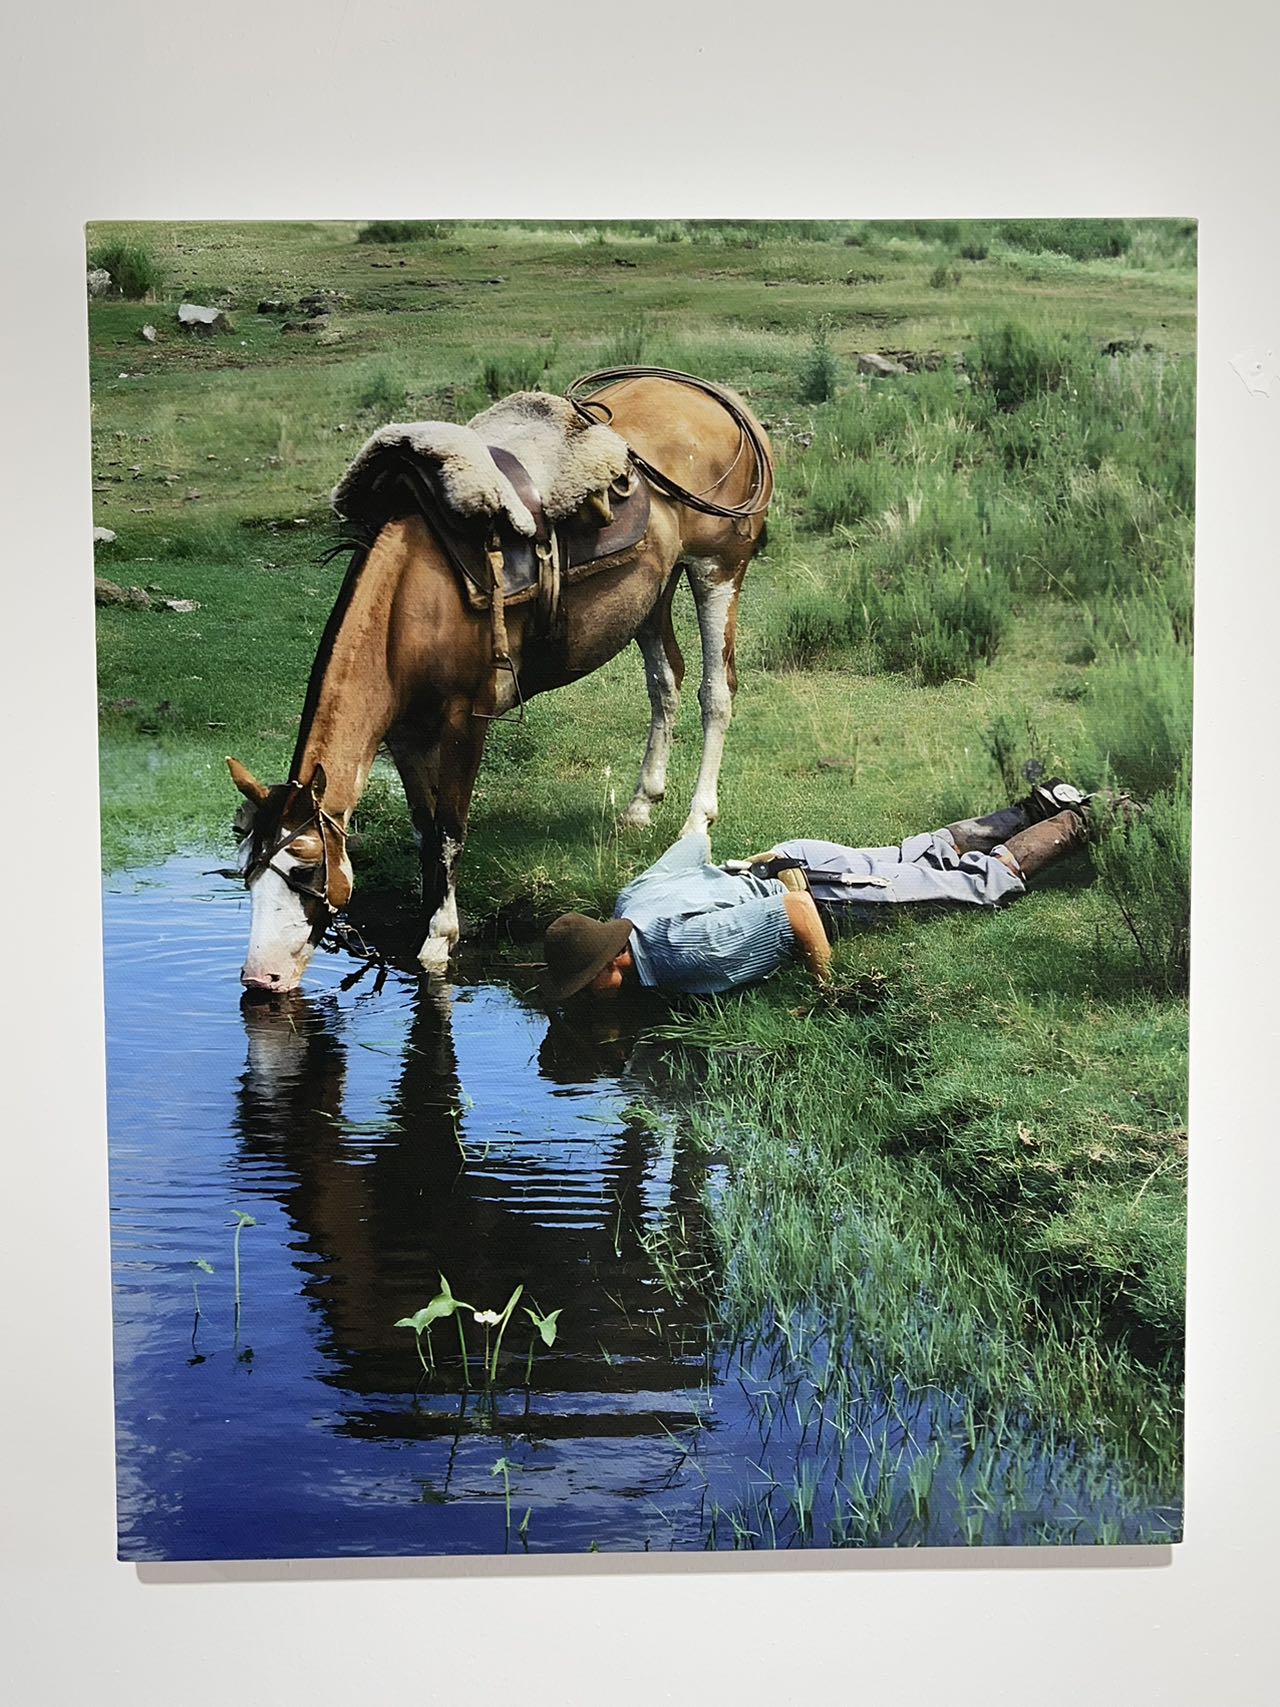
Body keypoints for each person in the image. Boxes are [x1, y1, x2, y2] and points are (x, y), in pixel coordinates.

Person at [540, 779, 1117, 1004]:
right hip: (789, 858)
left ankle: (1086, 819)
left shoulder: (676, 954)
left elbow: (795, 912)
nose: (587, 995)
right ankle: (1044, 804)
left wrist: (826, 986)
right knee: (921, 854)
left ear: (611, 961)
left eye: (586, 983)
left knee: (975, 888)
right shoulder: (629, 901)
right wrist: (750, 866)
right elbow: (695, 847)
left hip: (825, 892)